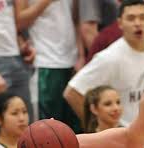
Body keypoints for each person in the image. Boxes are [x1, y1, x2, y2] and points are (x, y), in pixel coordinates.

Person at [64, 0, 144, 126]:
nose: (138, 23)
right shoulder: (110, 57)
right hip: (127, 138)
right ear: (120, 23)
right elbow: (72, 92)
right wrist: (98, 128)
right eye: (131, 18)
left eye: (143, 17)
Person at [14, 0, 85, 133]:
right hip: (45, 61)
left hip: (72, 61)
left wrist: (80, 55)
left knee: (74, 129)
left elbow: (76, 19)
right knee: (47, 129)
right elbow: (19, 22)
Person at [0, 0, 34, 122]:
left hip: (15, 57)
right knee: (0, 121)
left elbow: (6, 20)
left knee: (23, 120)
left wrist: (21, 42)